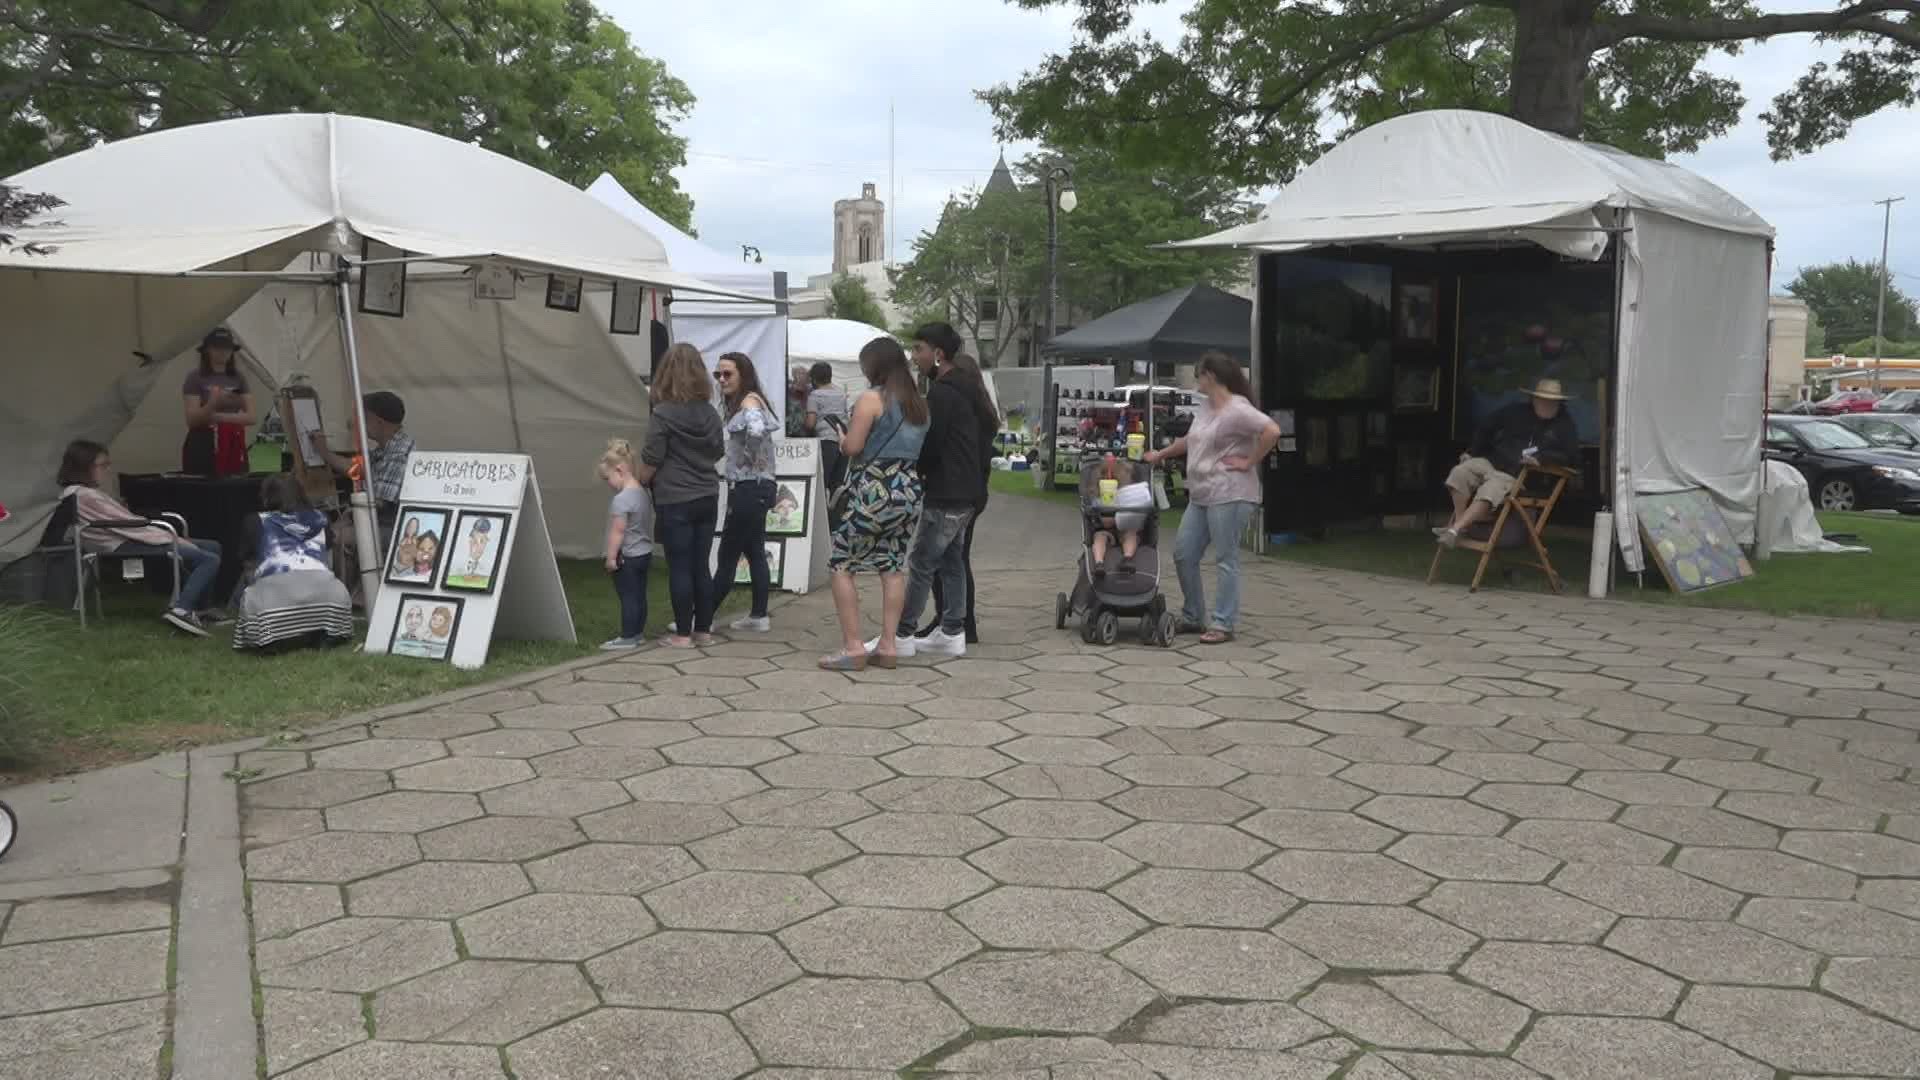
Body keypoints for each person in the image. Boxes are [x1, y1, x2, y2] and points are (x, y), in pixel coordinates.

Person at [1144, 351, 1281, 645]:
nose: (1196, 381)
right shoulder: (1206, 407)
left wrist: (1249, 461)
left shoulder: (1237, 409)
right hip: (1202, 494)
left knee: (1225, 558)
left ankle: (1223, 622)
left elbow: (1272, 431)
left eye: (1198, 375)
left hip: (1229, 493)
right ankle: (1194, 616)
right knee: (1184, 554)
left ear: (1211, 376)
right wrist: (1160, 454)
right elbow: (1191, 440)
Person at [821, 337, 929, 671]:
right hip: (908, 490)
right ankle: (888, 645)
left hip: (873, 491)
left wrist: (842, 440)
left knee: (842, 564)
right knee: (892, 566)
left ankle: (853, 647)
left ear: (875, 366)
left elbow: (853, 447)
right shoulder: (920, 404)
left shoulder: (871, 398)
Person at [879, 324, 984, 660]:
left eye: (919, 348)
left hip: (948, 490)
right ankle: (953, 631)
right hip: (968, 490)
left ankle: (903, 632)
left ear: (938, 354)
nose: (914, 356)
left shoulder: (942, 392)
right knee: (951, 560)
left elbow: (933, 443)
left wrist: (914, 467)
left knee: (923, 561)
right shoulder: (967, 387)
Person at [57, 439, 226, 637]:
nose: (107, 470)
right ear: (84, 466)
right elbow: (128, 526)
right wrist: (171, 537)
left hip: (119, 537)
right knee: (209, 559)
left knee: (212, 546)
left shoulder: (75, 493)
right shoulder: (86, 496)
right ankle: (182, 610)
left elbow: (123, 521)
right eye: (103, 465)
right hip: (119, 543)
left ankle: (200, 610)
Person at [640, 343, 725, 647]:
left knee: (679, 566)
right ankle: (703, 630)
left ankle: (682, 635)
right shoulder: (711, 413)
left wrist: (639, 481)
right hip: (707, 494)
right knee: (701, 564)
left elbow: (652, 457)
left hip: (675, 496)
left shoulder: (662, 414)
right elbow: (718, 450)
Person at [1436, 378, 1578, 548]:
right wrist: (1472, 452)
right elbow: (1486, 426)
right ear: (1534, 399)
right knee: (1461, 472)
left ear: (1560, 403)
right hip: (1494, 462)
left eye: (1553, 402)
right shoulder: (1516, 412)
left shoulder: (1564, 425)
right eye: (1543, 400)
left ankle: (1455, 530)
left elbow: (1570, 456)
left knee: (1492, 487)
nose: (1548, 405)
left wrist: (1541, 459)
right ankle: (1461, 524)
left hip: (1521, 476)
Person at [915, 351, 998, 645]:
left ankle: (950, 619)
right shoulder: (982, 412)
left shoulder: (957, 408)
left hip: (954, 490)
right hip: (975, 491)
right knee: (957, 559)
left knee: (939, 559)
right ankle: (960, 621)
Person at [231, 474, 353, 652]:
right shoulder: (321, 517)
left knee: (252, 577)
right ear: (301, 494)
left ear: (267, 497)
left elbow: (245, 558)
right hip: (331, 599)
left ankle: (278, 631)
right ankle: (316, 630)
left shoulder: (255, 521)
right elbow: (327, 547)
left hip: (272, 604)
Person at [710, 352, 779, 633]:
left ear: (744, 374)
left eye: (728, 374)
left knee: (728, 554)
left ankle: (701, 617)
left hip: (750, 488)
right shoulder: (747, 401)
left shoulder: (749, 401)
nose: (722, 380)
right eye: (718, 374)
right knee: (753, 550)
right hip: (758, 487)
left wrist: (749, 458)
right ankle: (759, 615)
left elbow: (757, 429)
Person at [319, 390, 415, 543]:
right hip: (376, 521)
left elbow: (380, 506)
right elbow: (356, 469)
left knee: (333, 537)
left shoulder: (399, 455)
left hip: (392, 529)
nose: (359, 423)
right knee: (331, 532)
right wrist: (325, 453)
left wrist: (349, 514)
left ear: (378, 422)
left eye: (364, 418)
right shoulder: (386, 448)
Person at [598, 438, 654, 650]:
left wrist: (611, 558)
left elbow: (618, 531)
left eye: (608, 478)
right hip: (644, 553)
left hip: (627, 556)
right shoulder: (642, 493)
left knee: (628, 596)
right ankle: (638, 632)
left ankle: (628, 635)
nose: (608, 483)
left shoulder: (621, 500)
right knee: (640, 594)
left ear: (620, 470)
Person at [181, 327, 256, 476]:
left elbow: (252, 417)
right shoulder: (195, 377)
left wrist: (218, 417)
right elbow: (192, 420)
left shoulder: (239, 378)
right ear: (207, 350)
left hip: (233, 442)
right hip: (203, 444)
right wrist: (212, 403)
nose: (223, 352)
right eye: (217, 347)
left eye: (227, 348)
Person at [805, 362, 852, 490]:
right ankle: (836, 509)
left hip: (825, 442)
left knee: (822, 482)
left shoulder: (814, 396)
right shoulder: (841, 394)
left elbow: (811, 422)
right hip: (843, 441)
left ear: (814, 378)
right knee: (837, 483)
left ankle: (823, 510)